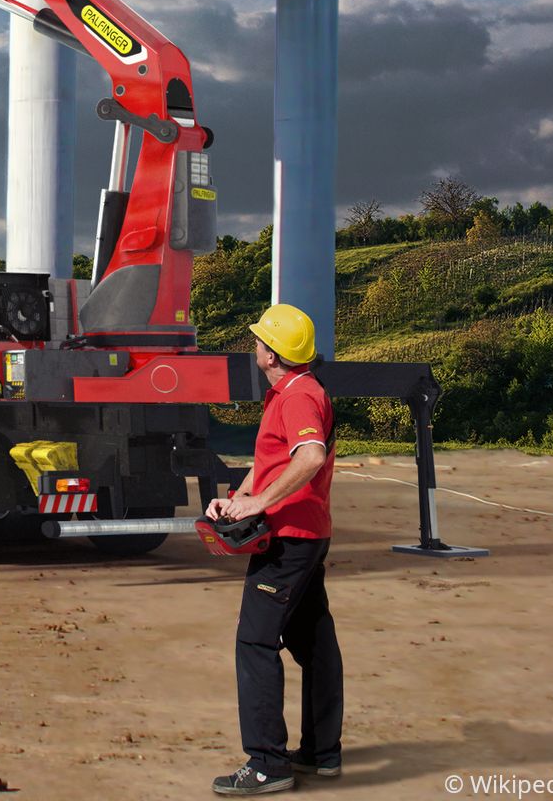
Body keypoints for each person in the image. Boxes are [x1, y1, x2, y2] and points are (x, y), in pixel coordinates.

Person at [206, 302, 343, 795]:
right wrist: (241, 499)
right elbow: (273, 460)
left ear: (271, 355)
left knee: (255, 643)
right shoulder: (296, 390)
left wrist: (262, 502)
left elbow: (310, 455)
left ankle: (267, 764)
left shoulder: (297, 397)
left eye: (259, 340)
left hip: (289, 541)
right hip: (305, 533)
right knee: (312, 643)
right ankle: (321, 753)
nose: (254, 346)